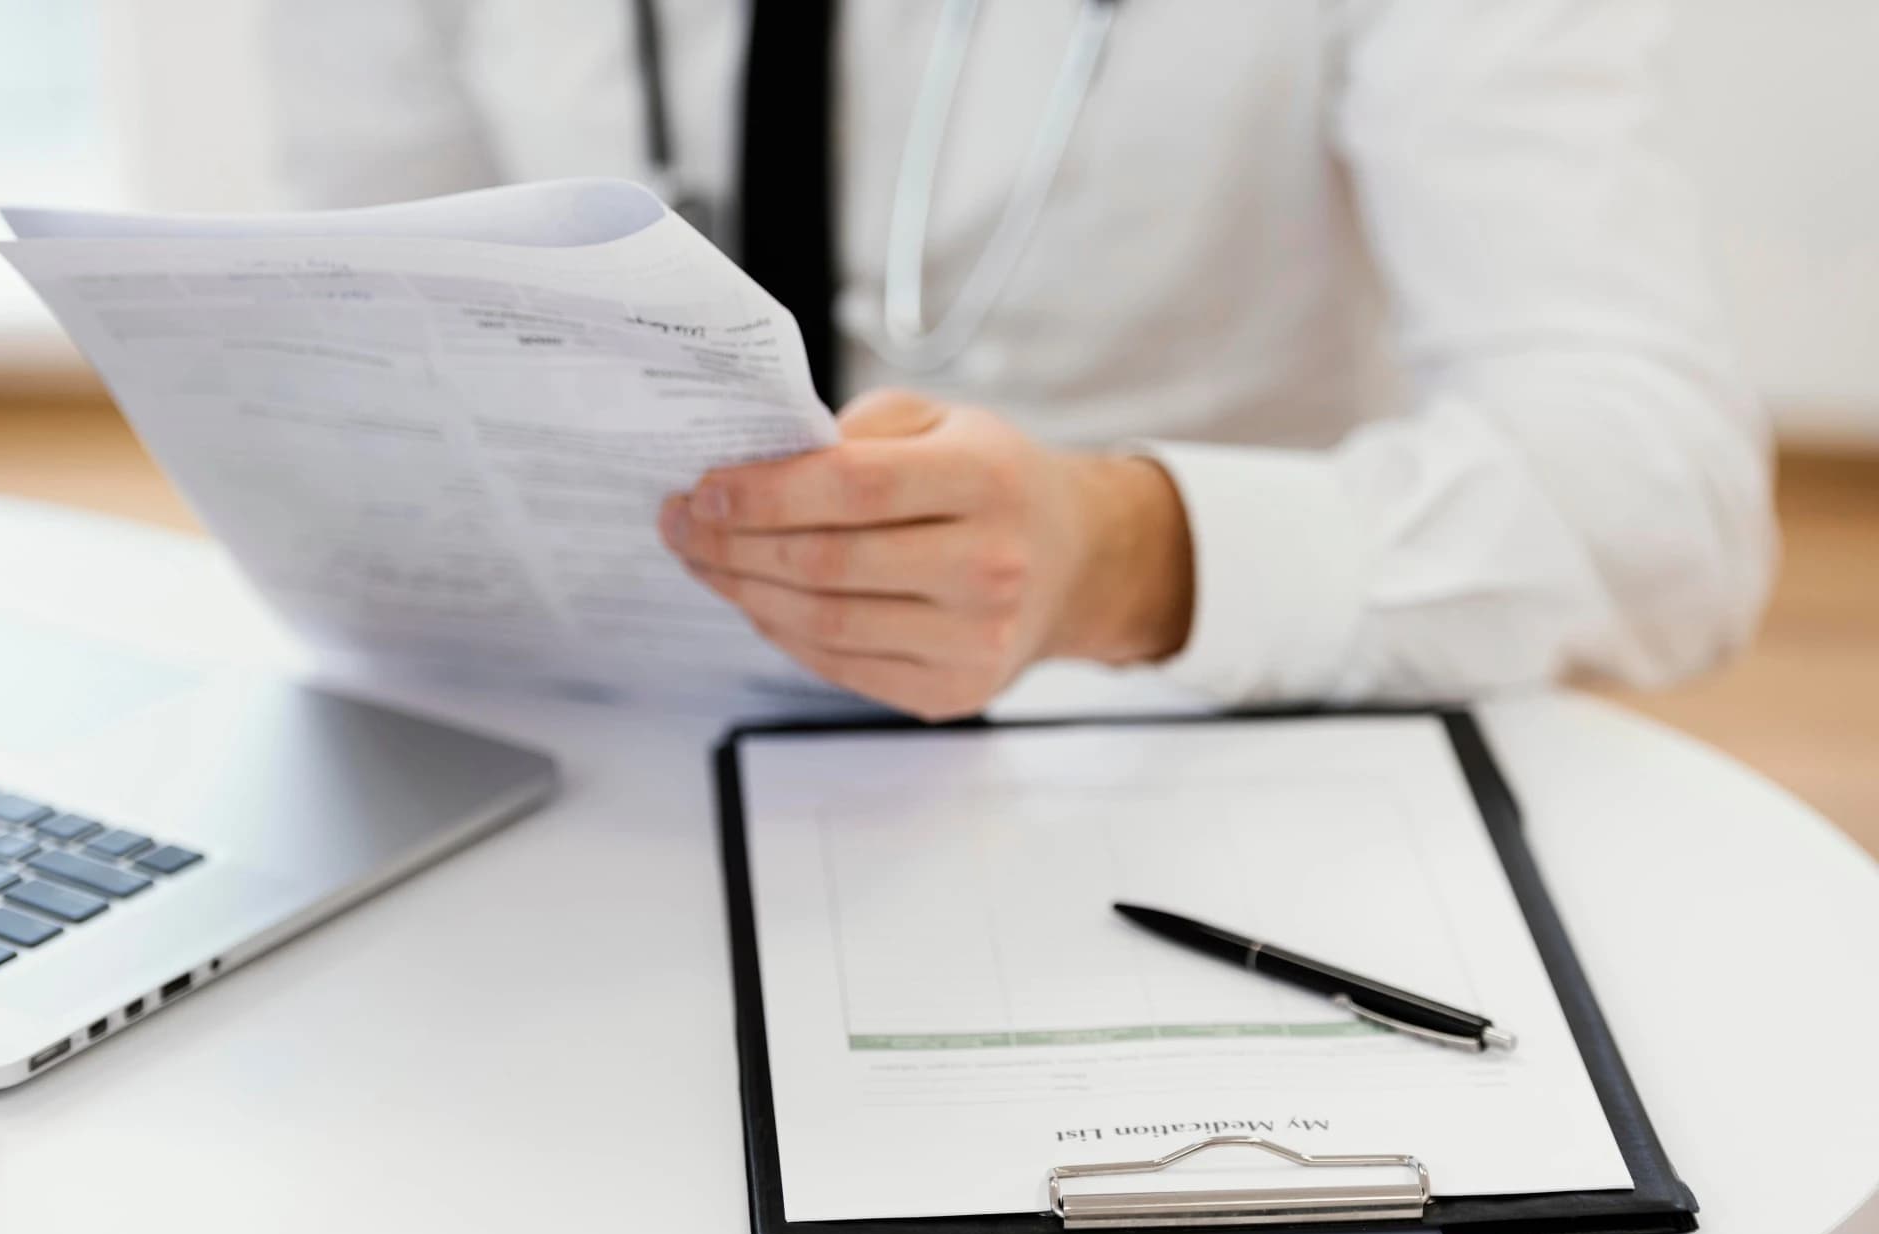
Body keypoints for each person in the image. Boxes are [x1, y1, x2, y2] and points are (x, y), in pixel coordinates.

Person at [266, 1, 1774, 721]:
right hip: (592, 728)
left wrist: (1128, 553)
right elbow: (361, 318)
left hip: (1175, 743)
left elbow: (1669, 497)